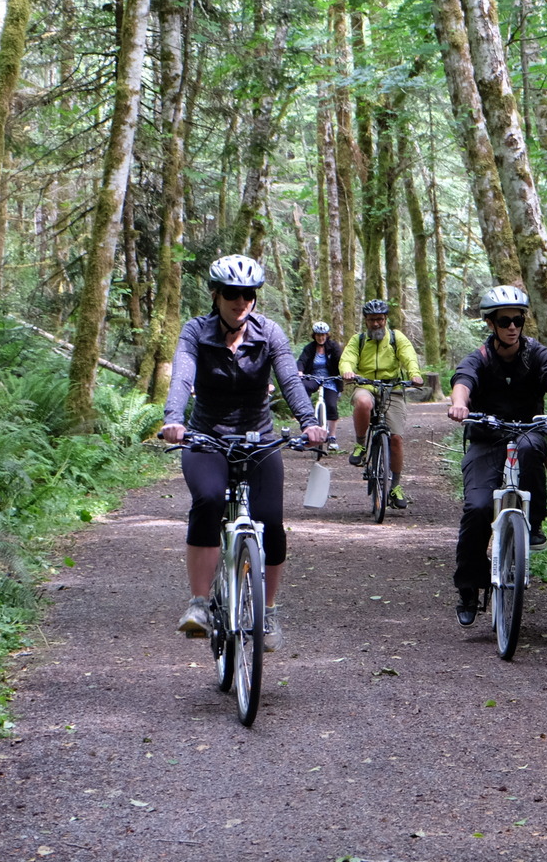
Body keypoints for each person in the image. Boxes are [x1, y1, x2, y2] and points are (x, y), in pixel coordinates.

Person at [161, 254, 328, 651]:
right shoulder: (195, 332)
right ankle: (199, 605)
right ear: (216, 295)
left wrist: (309, 422)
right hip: (206, 436)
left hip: (259, 438)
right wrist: (174, 418)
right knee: (207, 499)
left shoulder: (268, 332)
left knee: (271, 520)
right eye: (233, 294)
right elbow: (182, 374)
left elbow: (289, 377)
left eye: (249, 295)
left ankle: (266, 613)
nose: (241, 302)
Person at [445, 285, 547, 627]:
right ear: (491, 324)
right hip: (486, 438)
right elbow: (463, 380)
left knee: (532, 448)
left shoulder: (538, 354)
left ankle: (533, 524)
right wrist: (460, 404)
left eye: (518, 320)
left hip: (527, 430)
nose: (512, 326)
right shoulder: (480, 357)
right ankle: (468, 589)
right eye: (504, 320)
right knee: (477, 509)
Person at [339, 298, 424, 509]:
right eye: (371, 320)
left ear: (385, 319)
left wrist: (414, 374)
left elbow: (409, 357)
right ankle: (360, 445)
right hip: (366, 384)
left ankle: (395, 486)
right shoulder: (358, 340)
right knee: (362, 402)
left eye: (379, 319)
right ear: (365, 321)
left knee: (396, 438)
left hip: (392, 388)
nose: (375, 324)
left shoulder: (396, 338)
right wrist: (348, 371)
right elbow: (347, 358)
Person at [296, 321, 342, 446]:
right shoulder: (310, 348)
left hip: (330, 378)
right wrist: (299, 371)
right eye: (318, 335)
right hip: (313, 377)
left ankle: (332, 436)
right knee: (302, 389)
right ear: (314, 335)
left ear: (327, 335)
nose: (320, 338)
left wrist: (344, 373)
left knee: (331, 405)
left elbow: (340, 361)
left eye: (323, 335)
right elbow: (302, 361)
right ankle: (308, 419)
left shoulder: (333, 347)